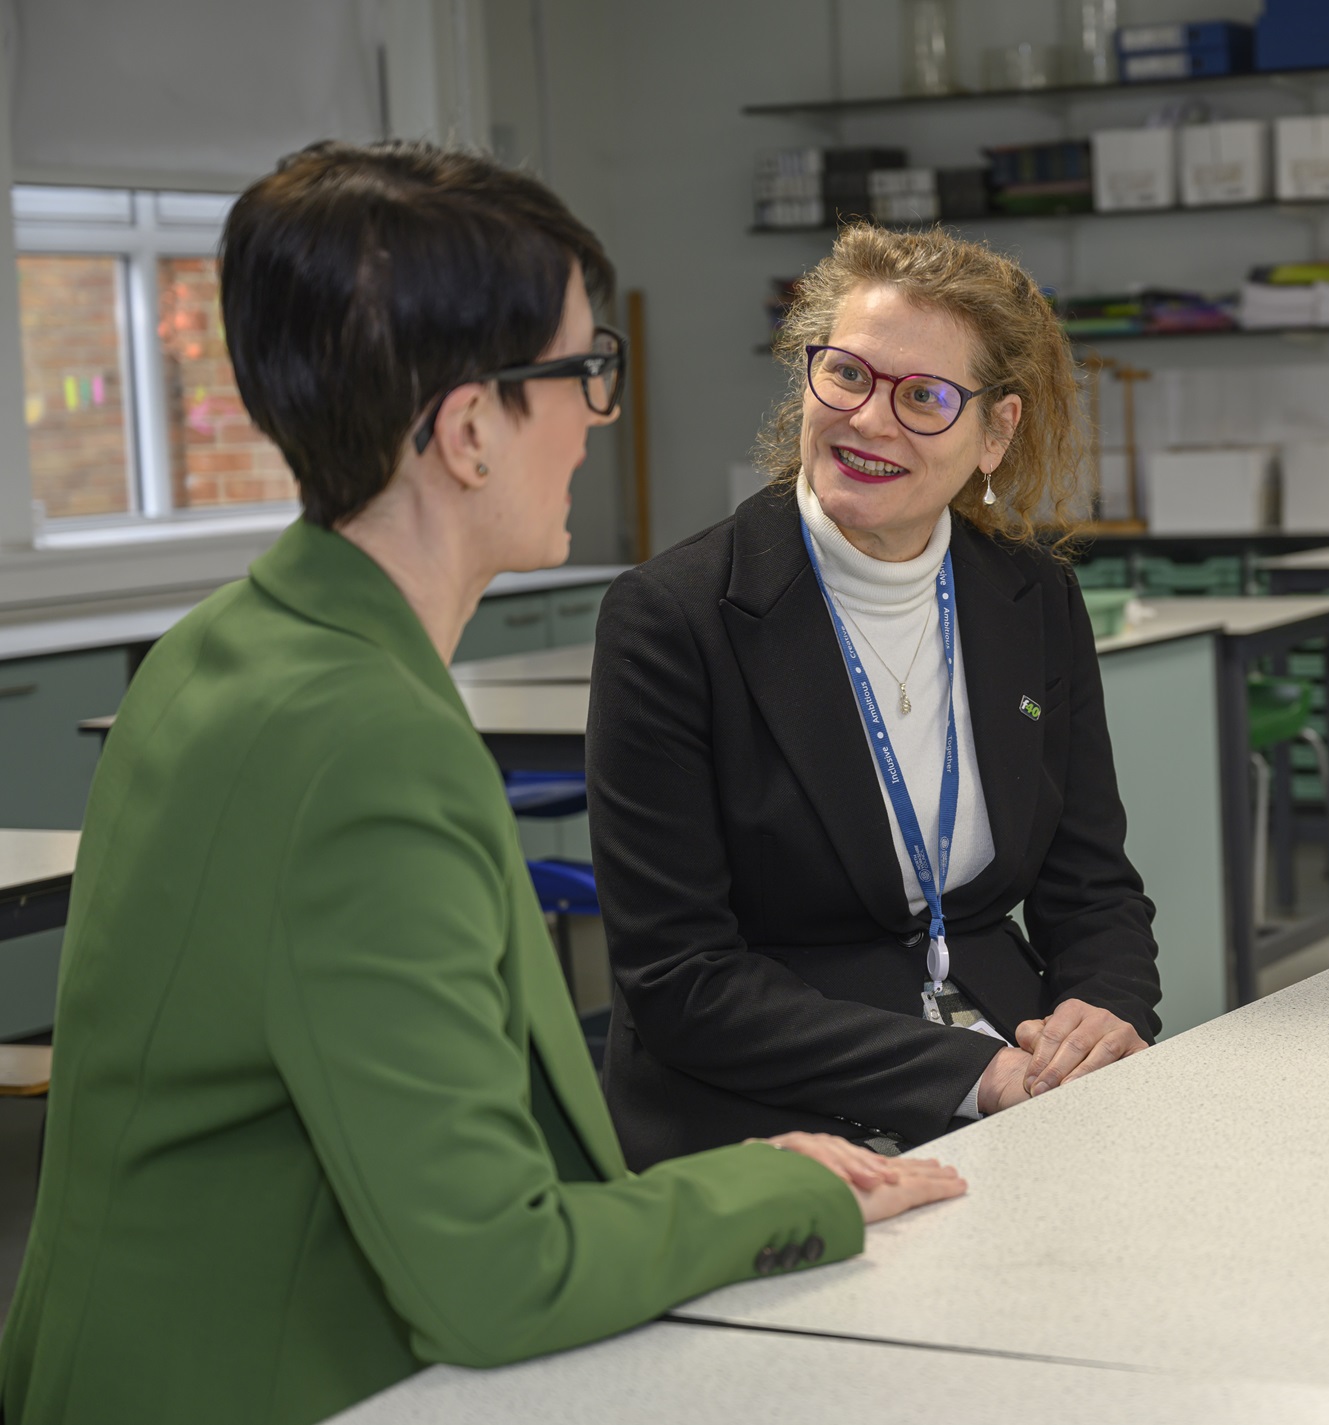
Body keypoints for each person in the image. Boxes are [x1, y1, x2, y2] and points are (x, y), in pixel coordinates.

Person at [0, 143, 962, 1425]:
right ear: (467, 429)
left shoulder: (222, 649)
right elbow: (495, 1276)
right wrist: (785, 1188)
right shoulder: (360, 743)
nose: (595, 415)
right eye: (581, 373)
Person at [588, 224, 1162, 1164]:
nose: (869, 421)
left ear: (996, 432)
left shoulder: (1034, 600)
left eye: (926, 397)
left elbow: (1091, 882)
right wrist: (971, 1077)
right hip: (767, 1107)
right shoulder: (673, 619)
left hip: (1017, 1067)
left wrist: (1102, 1011)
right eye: (847, 375)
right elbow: (679, 978)